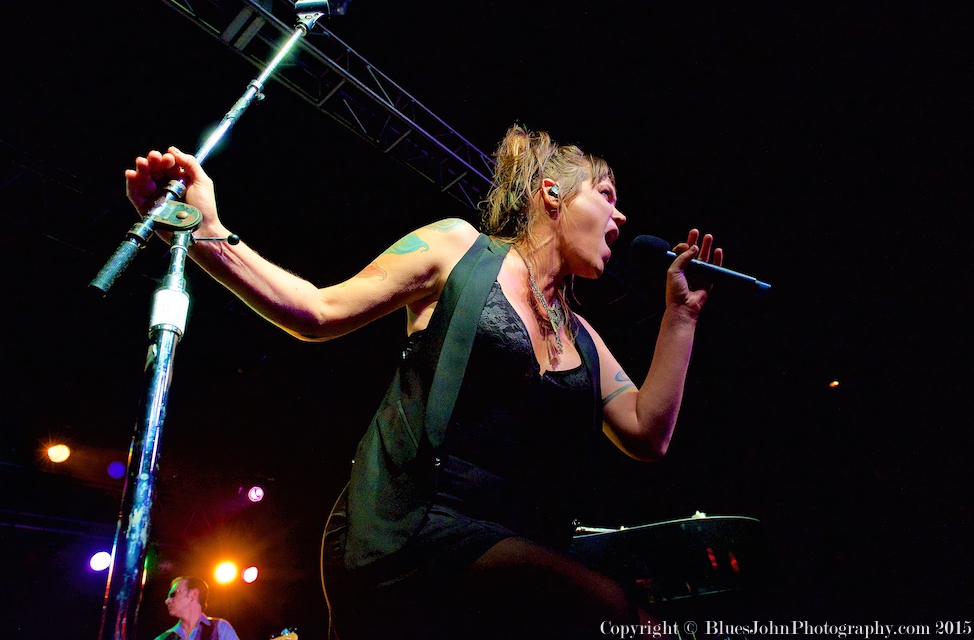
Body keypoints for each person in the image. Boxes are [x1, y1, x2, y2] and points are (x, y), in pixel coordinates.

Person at [126, 125, 723, 640]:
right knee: (618, 613)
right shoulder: (459, 249)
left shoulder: (583, 338)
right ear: (552, 194)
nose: (621, 216)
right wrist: (204, 230)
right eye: (606, 195)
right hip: (409, 531)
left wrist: (682, 316)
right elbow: (317, 311)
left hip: (505, 545)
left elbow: (647, 431)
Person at [153, 576, 240, 640]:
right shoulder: (162, 638)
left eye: (173, 594)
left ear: (193, 595)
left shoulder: (220, 628)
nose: (167, 601)